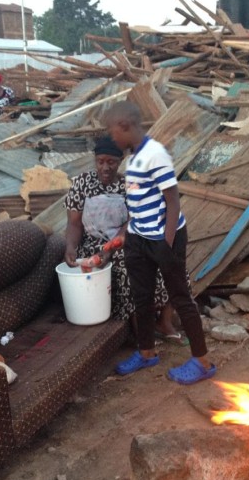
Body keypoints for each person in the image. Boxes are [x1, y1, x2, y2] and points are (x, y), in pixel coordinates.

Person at [102, 101, 216, 384]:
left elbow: (173, 200)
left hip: (164, 238)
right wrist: (128, 235)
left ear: (126, 126)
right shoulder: (133, 157)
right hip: (139, 238)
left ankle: (202, 361)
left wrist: (166, 243)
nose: (111, 137)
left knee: (180, 297)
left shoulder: (156, 154)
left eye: (112, 131)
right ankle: (147, 352)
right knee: (141, 297)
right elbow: (139, 201)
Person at [64, 136, 185, 343]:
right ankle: (141, 329)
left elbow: (132, 223)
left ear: (120, 161)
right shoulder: (82, 184)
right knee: (129, 266)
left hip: (127, 239)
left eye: (111, 162)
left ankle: (164, 321)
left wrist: (112, 248)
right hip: (94, 246)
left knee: (168, 261)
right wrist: (70, 246)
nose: (105, 167)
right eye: (100, 161)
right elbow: (74, 224)